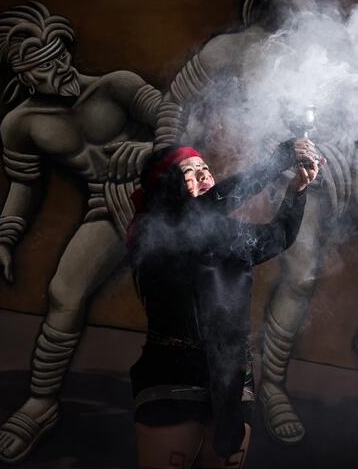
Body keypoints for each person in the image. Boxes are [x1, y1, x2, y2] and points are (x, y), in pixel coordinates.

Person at [163, 0, 358, 444]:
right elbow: (176, 104)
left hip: (342, 154)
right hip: (287, 166)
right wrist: (171, 161)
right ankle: (274, 384)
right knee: (300, 279)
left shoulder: (331, 35)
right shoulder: (231, 50)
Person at [0, 1, 177, 464]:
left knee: (203, 294)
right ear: (20, 76)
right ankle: (40, 404)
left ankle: (222, 394)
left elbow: (174, 118)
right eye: (38, 69)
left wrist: (148, 152)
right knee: (64, 292)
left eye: (56, 57)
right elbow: (24, 187)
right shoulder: (21, 124)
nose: (54, 72)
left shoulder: (116, 85)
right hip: (107, 206)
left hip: (169, 196)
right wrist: (2, 241)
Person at [128, 138, 320, 468]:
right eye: (189, 171)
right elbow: (205, 208)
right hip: (174, 376)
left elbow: (278, 237)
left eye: (206, 169)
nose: (204, 176)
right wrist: (276, 160)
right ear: (166, 185)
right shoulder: (154, 229)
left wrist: (296, 191)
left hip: (233, 378)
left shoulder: (224, 233)